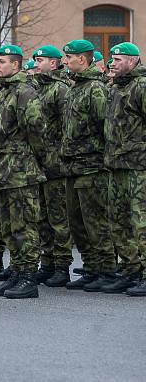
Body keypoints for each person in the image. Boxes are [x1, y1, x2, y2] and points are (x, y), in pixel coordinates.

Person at [0, 45, 46, 299]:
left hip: (21, 171)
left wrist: (28, 158)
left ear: (16, 66)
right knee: (9, 226)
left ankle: (29, 277)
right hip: (3, 171)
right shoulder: (3, 92)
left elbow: (36, 130)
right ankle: (18, 271)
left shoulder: (25, 92)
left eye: (2, 62)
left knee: (25, 225)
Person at [60, 40, 118, 291]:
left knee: (96, 222)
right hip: (73, 166)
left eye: (68, 57)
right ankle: (92, 267)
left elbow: (106, 127)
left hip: (92, 166)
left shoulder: (95, 88)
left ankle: (106, 269)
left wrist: (101, 159)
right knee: (78, 223)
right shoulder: (76, 87)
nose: (65, 61)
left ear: (81, 60)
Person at [105, 42, 146, 296]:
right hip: (117, 164)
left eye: (118, 59)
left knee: (140, 221)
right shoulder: (117, 88)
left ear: (133, 61)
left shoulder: (141, 86)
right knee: (118, 221)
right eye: (112, 59)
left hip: (138, 166)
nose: (112, 63)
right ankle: (130, 270)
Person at [30, 46, 73, 286]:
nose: (36, 63)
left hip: (55, 164)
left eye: (41, 60)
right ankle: (46, 263)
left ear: (54, 64)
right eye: (35, 59)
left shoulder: (60, 90)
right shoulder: (37, 88)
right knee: (42, 217)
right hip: (39, 164)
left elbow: (68, 127)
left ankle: (61, 265)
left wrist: (58, 155)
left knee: (58, 218)